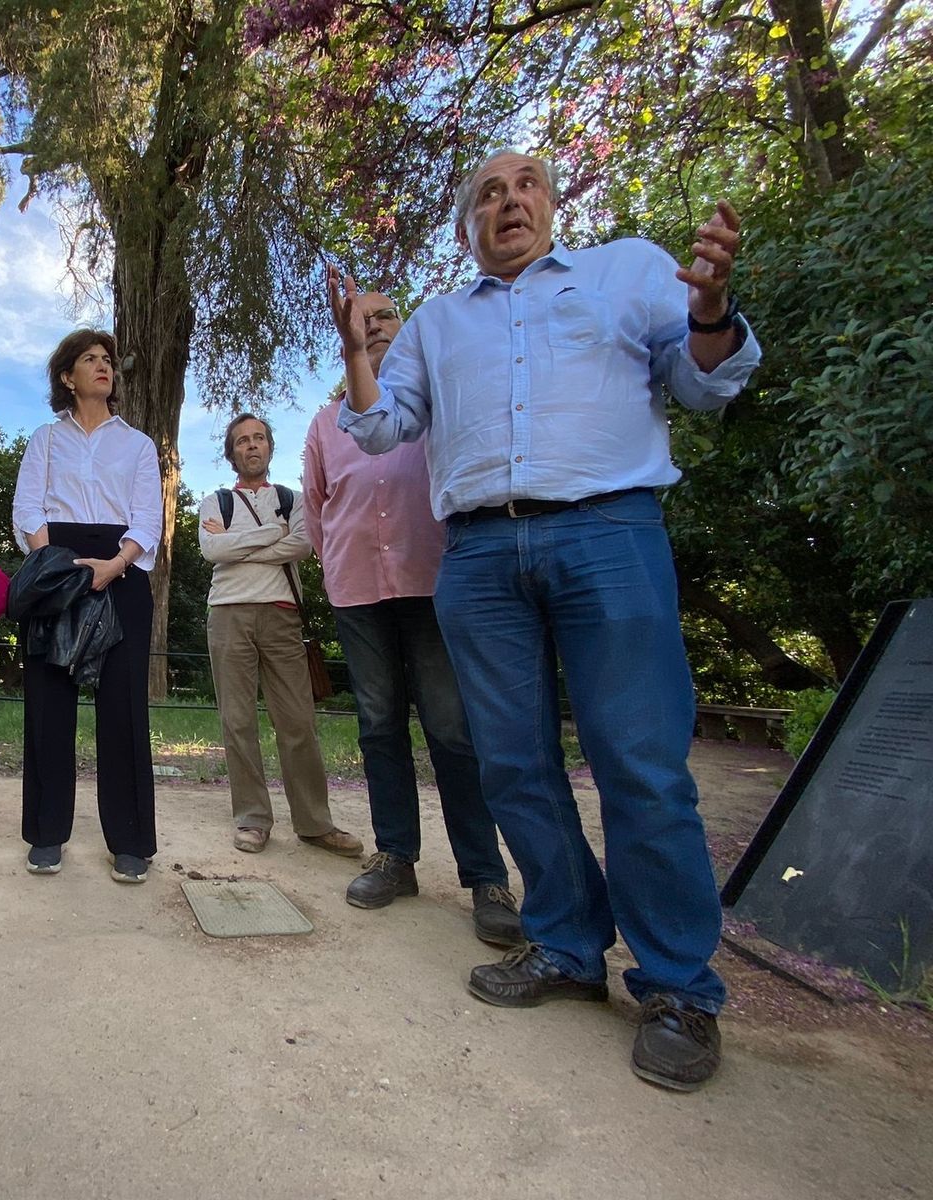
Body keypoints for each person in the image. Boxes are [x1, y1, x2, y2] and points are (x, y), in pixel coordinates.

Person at [329, 150, 760, 1091]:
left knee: (639, 761)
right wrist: (360, 350)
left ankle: (680, 986)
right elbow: (379, 428)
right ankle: (565, 945)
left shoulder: (631, 270)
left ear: (553, 203)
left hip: (610, 531)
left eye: (525, 184)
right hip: (480, 555)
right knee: (512, 761)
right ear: (466, 226)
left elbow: (705, 385)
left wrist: (713, 311)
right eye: (487, 191)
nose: (508, 199)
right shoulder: (437, 324)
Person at [302, 295, 521, 948]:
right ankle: (396, 856)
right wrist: (340, 566)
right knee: (378, 722)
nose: (371, 324)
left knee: (452, 728)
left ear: (411, 331)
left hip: (434, 582)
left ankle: (485, 877)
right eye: (359, 316)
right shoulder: (324, 422)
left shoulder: (437, 409)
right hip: (356, 590)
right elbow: (315, 509)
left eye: (386, 314)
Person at [12, 329, 162, 884]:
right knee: (49, 704)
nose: (103, 366)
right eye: (89, 360)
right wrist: (57, 566)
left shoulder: (139, 444)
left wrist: (115, 565)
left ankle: (130, 841)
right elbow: (28, 508)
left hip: (121, 571)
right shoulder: (45, 441)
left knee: (124, 708)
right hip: (59, 568)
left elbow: (149, 518)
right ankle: (46, 834)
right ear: (67, 377)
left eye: (107, 360)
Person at [198, 413, 362, 860]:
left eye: (258, 439)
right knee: (238, 721)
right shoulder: (215, 502)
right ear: (231, 453)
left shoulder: (292, 499)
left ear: (270, 447)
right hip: (228, 614)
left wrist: (243, 541)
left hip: (282, 615)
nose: (251, 446)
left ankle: (314, 823)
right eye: (241, 441)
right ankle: (252, 818)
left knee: (297, 721)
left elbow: (303, 545)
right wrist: (273, 533)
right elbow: (212, 550)